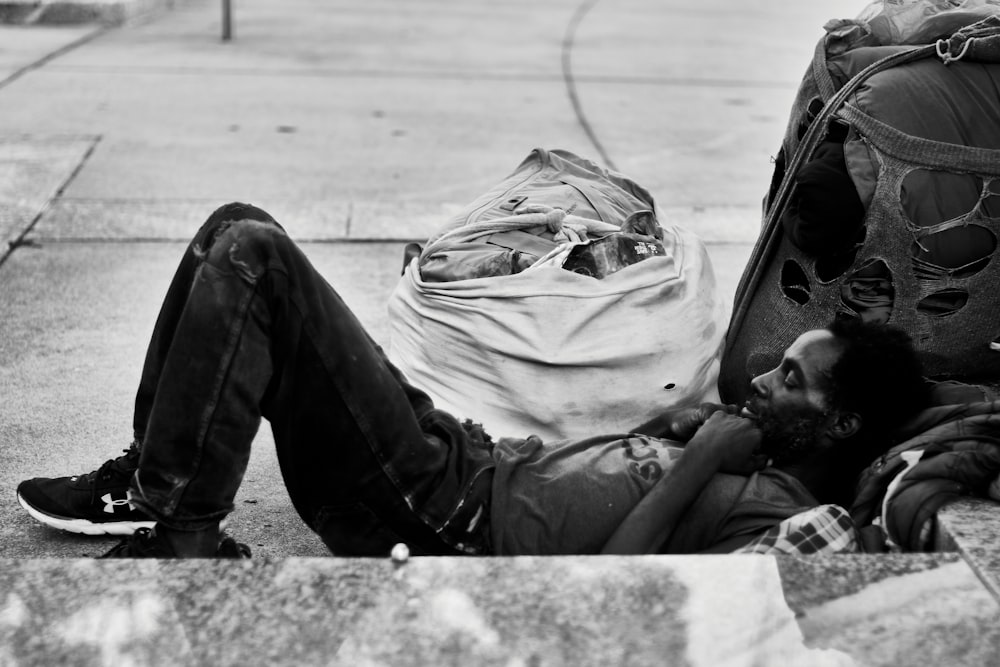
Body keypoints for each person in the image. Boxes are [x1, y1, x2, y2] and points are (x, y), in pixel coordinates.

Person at [15, 203, 928, 558]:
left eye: (794, 382)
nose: (765, 379)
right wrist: (679, 435)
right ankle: (150, 477)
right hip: (464, 461)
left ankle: (184, 533)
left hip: (442, 512)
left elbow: (619, 597)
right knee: (237, 224)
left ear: (842, 426)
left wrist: (696, 467)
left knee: (256, 258)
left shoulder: (779, 520)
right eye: (780, 364)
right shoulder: (739, 446)